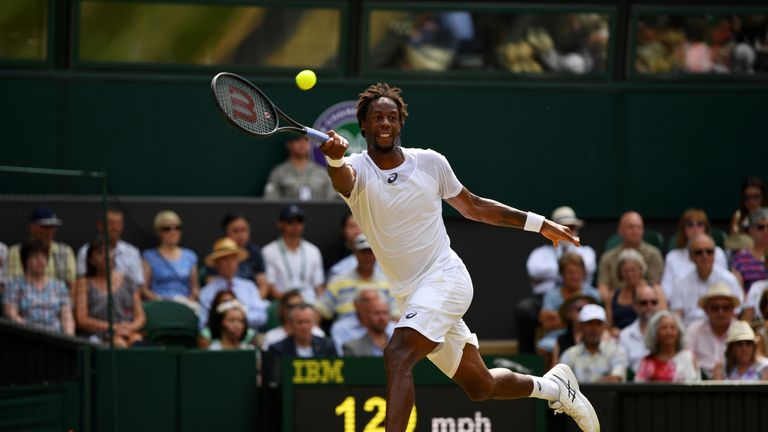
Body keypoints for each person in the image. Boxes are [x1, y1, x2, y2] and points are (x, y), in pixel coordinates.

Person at [318, 83, 598, 431]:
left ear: (401, 123)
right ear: (364, 126)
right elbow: (341, 180)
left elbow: (475, 207)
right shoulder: (355, 169)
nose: (385, 123)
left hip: (446, 278)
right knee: (481, 386)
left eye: (392, 117)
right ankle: (556, 388)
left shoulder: (430, 163)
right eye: (377, 118)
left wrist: (540, 225)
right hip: (411, 295)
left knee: (398, 353)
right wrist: (333, 157)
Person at [516, 206, 596, 354]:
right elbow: (534, 270)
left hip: (579, 297)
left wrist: (557, 270)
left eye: (572, 227)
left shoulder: (586, 252)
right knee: (524, 310)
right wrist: (566, 267)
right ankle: (528, 358)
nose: (569, 231)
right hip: (545, 298)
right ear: (553, 228)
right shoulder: (540, 253)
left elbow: (588, 266)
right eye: (564, 227)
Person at [316, 233, 396, 330]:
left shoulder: (387, 282)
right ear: (355, 253)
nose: (367, 256)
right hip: (348, 331)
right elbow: (321, 310)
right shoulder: (338, 281)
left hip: (380, 330)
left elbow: (395, 315)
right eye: (363, 252)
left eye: (371, 251)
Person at [75, 237, 145, 347]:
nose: (107, 256)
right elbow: (82, 319)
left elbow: (140, 317)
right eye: (100, 253)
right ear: (91, 260)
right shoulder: (84, 283)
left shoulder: (128, 280)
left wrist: (129, 328)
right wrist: (112, 327)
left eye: (110, 251)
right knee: (119, 344)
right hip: (97, 335)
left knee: (138, 341)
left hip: (127, 332)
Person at [536, 253, 600, 363]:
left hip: (587, 334)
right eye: (570, 273)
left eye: (578, 272)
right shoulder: (552, 294)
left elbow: (597, 320)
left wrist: (560, 317)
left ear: (583, 273)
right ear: (562, 274)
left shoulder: (593, 294)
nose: (574, 276)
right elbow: (545, 322)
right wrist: (572, 319)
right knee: (544, 348)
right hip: (555, 336)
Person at [3, 238, 74, 335]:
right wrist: (34, 332)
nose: (40, 260)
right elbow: (11, 314)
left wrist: (68, 339)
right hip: (26, 336)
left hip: (56, 339)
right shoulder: (14, 285)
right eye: (35, 257)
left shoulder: (59, 286)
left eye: (43, 256)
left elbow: (67, 318)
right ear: (25, 260)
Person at [669, 234, 743, 327]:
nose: (705, 256)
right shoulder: (681, 282)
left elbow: (735, 314)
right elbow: (677, 315)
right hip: (689, 334)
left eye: (709, 251)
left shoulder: (729, 279)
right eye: (699, 252)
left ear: (715, 254)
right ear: (691, 256)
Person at [198, 237, 269, 332]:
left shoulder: (249, 286)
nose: (230, 263)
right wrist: (224, 321)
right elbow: (203, 323)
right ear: (216, 263)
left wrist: (238, 317)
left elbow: (261, 316)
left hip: (250, 339)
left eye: (233, 258)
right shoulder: (206, 292)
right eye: (225, 259)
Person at [261, 205, 325, 303]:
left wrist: (321, 304)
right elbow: (270, 286)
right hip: (282, 302)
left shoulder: (314, 250)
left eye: (299, 221)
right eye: (290, 221)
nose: (295, 225)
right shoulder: (268, 251)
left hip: (310, 303)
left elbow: (318, 285)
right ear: (280, 224)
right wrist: (291, 301)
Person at [596, 211, 664, 304]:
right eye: (631, 227)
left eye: (639, 227)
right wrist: (612, 304)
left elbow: (654, 286)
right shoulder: (608, 257)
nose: (635, 231)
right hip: (616, 303)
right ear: (620, 230)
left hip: (645, 303)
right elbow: (603, 286)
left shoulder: (654, 255)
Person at [7, 207, 76, 293]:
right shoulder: (16, 251)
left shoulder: (66, 251)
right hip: (26, 301)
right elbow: (13, 283)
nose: (49, 231)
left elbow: (72, 284)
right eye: (45, 227)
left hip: (59, 303)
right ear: (32, 227)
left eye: (52, 226)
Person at [264, 303, 337, 385]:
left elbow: (335, 378)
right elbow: (275, 382)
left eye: (307, 321)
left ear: (314, 323)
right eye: (300, 322)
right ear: (291, 324)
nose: (304, 326)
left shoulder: (327, 346)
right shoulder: (277, 349)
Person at [660, 208, 728, 296]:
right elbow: (666, 290)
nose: (695, 228)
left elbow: (723, 284)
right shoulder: (672, 257)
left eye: (699, 224)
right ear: (683, 229)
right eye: (690, 224)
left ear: (705, 228)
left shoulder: (717, 252)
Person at [141, 210, 199, 303]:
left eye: (177, 227)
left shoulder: (190, 256)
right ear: (158, 232)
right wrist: (160, 300)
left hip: (184, 305)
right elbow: (143, 289)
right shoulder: (149, 256)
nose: (173, 232)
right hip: (158, 305)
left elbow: (195, 289)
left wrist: (187, 301)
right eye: (167, 228)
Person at [560, 304, 628, 383]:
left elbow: (616, 379)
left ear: (604, 326)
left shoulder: (616, 351)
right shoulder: (569, 354)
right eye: (589, 324)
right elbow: (562, 383)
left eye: (598, 324)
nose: (594, 328)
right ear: (581, 326)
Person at [76, 207, 144, 286]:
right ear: (100, 225)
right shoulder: (86, 251)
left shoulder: (133, 251)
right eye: (110, 223)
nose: (115, 228)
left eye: (119, 223)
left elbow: (138, 283)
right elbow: (82, 282)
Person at [205, 213, 268, 298]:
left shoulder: (255, 252)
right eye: (235, 231)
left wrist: (252, 303)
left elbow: (263, 285)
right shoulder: (216, 253)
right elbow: (211, 284)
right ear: (226, 232)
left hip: (249, 297)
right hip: (222, 299)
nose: (240, 235)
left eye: (244, 230)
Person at [686, 282, 740, 378]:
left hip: (734, 383)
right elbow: (686, 358)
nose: (720, 312)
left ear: (733, 310)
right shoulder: (694, 330)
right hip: (699, 383)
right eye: (715, 308)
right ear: (706, 310)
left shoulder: (741, 331)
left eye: (725, 308)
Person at [263, 135, 337, 200]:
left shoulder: (322, 172)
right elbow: (271, 201)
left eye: (306, 140)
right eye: (297, 140)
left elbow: (332, 200)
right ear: (288, 144)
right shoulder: (278, 172)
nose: (302, 143)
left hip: (318, 214)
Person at [634, 311, 700, 383]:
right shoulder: (647, 361)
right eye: (664, 328)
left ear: (679, 332)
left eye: (673, 328)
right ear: (655, 333)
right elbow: (638, 388)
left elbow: (695, 388)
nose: (669, 331)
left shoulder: (688, 357)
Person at [608, 249, 659, 334]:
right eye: (625, 271)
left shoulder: (655, 290)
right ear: (620, 273)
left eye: (633, 270)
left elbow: (660, 318)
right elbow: (608, 326)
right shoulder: (613, 295)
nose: (630, 274)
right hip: (618, 338)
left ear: (641, 270)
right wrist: (612, 331)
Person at [260, 289, 326, 351]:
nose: (296, 310)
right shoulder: (271, 337)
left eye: (300, 305)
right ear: (282, 309)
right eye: (291, 306)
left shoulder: (318, 334)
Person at [619, 285, 662, 372]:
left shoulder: (667, 332)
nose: (649, 306)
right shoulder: (625, 335)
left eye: (653, 302)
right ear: (634, 306)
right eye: (644, 303)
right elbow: (622, 367)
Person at [551, 295, 597, 368]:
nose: (584, 312)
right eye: (580, 309)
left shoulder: (600, 336)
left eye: (588, 309)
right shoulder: (561, 340)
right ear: (568, 314)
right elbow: (554, 371)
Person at [731, 207, 768, 294]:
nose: (766, 231)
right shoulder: (739, 258)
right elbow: (738, 291)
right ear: (751, 230)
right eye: (760, 227)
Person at [326, 213, 364, 280]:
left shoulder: (374, 252)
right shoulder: (332, 253)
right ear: (343, 229)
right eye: (352, 226)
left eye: (360, 226)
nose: (357, 231)